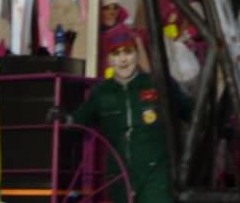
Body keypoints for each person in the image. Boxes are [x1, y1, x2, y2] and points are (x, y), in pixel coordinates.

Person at [64, 26, 191, 203]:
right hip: (119, 177)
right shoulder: (101, 92)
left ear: (137, 54)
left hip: (156, 175)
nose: (123, 59)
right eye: (115, 54)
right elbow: (79, 119)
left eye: (128, 51)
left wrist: (218, 122)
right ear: (109, 59)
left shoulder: (158, 84)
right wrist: (63, 119)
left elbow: (191, 111)